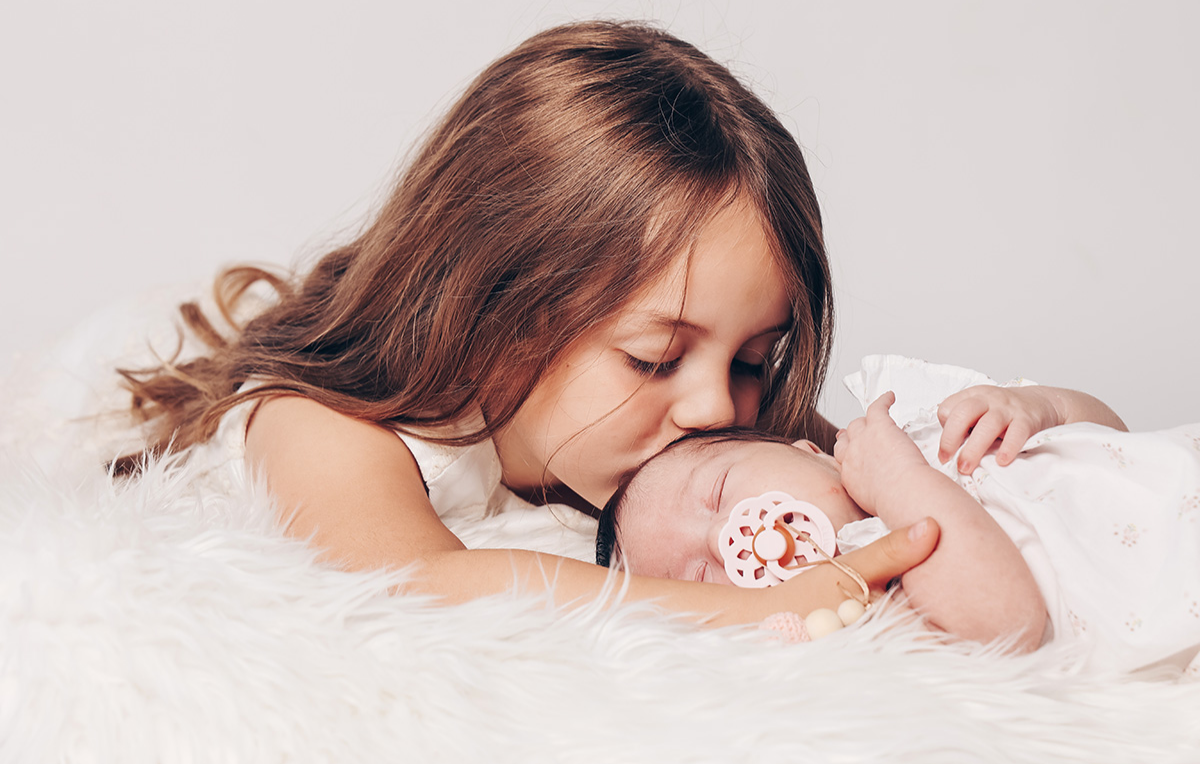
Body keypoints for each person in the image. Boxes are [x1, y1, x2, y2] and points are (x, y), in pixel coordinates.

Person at [115, 21, 975, 629]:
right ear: (498, 309)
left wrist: (1022, 418)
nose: (720, 406)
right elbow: (411, 585)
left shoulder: (703, 433)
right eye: (656, 358)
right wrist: (753, 612)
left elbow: (914, 475)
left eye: (752, 359)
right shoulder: (328, 430)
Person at [597, 356, 1200, 672]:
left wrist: (1041, 406)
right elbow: (1007, 625)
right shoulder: (880, 599)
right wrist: (898, 483)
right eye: (702, 574)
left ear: (804, 449)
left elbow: (1113, 439)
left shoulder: (922, 427)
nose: (729, 540)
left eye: (719, 492)